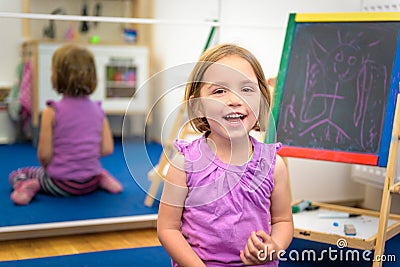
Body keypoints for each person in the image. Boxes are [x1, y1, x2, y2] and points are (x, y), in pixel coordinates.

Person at [157, 43, 293, 266]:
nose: (234, 100)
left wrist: (273, 246)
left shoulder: (273, 165)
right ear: (198, 106)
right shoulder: (184, 165)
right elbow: (168, 228)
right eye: (219, 91)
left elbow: (283, 220)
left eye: (247, 89)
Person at [9, 44, 123, 206]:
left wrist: (53, 170)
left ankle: (28, 186)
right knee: (97, 172)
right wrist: (83, 159)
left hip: (60, 184)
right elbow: (107, 149)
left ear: (56, 77)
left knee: (18, 173)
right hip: (90, 181)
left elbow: (44, 155)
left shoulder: (52, 111)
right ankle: (101, 178)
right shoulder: (98, 109)